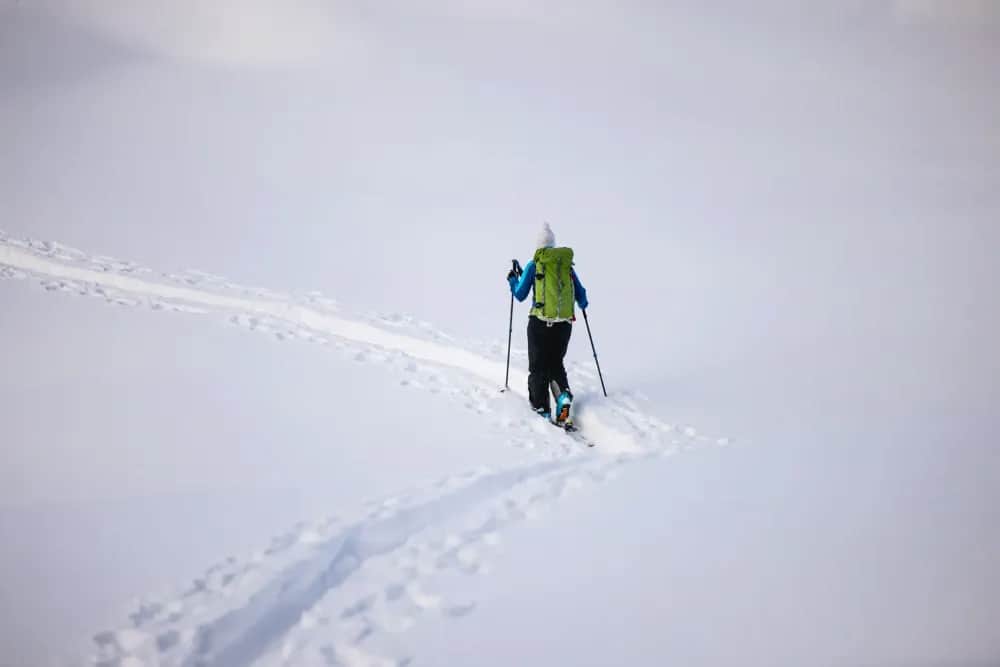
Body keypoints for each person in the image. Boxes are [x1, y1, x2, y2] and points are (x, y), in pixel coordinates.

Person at [507, 223, 588, 426]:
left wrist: (512, 281)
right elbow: (582, 296)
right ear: (553, 244)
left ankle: (542, 409)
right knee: (555, 363)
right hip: (564, 326)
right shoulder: (566, 266)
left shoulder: (535, 264)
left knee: (538, 367)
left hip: (539, 324)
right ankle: (563, 397)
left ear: (538, 246)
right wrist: (582, 305)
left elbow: (520, 294)